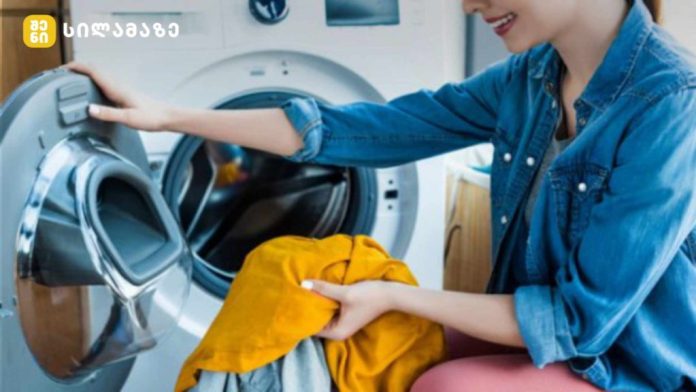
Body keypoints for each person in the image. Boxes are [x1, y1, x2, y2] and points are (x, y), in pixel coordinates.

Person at [67, 0, 696, 390]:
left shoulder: (672, 103)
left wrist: (396, 292)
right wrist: (166, 116)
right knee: (306, 298)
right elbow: (353, 130)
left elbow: (579, 324)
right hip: (534, 335)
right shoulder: (529, 79)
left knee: (443, 385)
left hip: (628, 365)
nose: (468, 5)